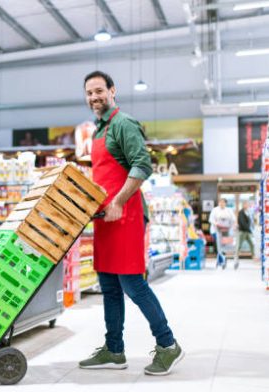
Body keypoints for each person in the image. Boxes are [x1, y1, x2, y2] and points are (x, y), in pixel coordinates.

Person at [78, 71, 184, 375]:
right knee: (110, 287)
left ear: (112, 91)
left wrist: (118, 202)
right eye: (89, 93)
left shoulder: (123, 123)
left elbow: (142, 165)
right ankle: (114, 349)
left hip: (125, 216)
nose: (94, 97)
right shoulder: (97, 131)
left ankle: (168, 344)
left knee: (133, 285)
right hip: (105, 218)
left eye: (99, 90)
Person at [208, 198, 236, 269]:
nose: (221, 204)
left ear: (225, 203)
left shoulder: (229, 210)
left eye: (223, 202)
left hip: (226, 232)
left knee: (224, 246)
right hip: (215, 231)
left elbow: (233, 219)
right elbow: (211, 219)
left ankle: (222, 261)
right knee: (218, 247)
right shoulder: (215, 210)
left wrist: (232, 226)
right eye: (220, 202)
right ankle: (220, 261)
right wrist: (216, 223)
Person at [234, 201, 255, 270]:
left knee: (252, 244)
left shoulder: (248, 212)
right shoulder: (241, 212)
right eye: (245, 204)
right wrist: (249, 230)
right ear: (243, 205)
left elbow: (249, 222)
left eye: (248, 204)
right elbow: (242, 223)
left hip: (247, 232)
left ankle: (253, 256)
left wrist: (249, 230)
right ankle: (236, 261)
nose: (247, 205)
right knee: (238, 246)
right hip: (242, 232)